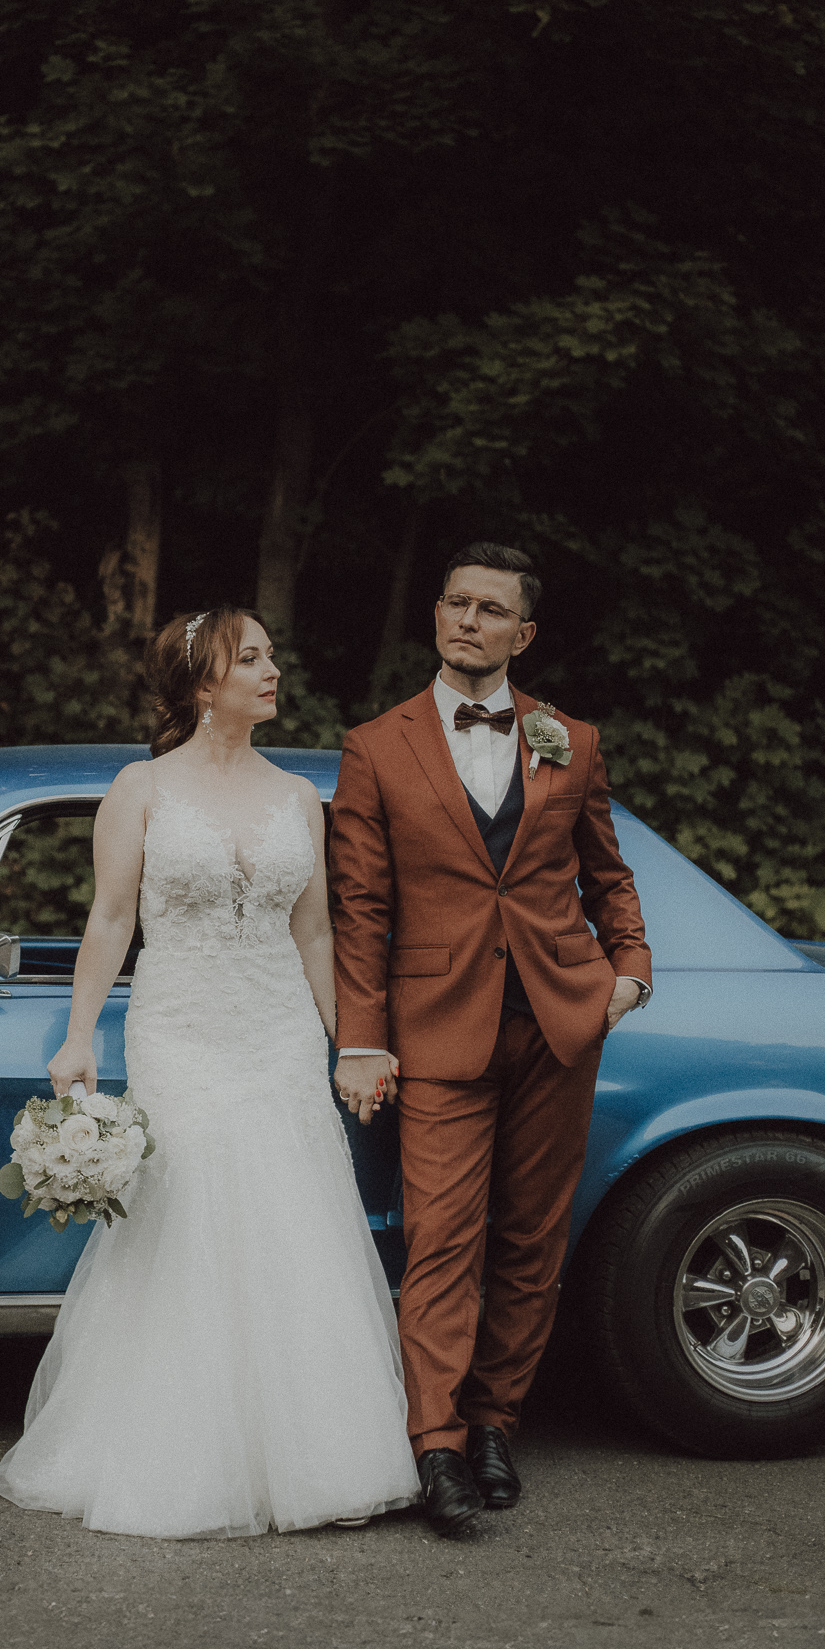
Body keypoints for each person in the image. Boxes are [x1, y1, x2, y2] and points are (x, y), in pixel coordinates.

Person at [0, 606, 420, 1536]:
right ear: (201, 685)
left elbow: (314, 931)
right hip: (179, 1028)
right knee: (185, 1223)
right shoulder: (140, 788)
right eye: (251, 658)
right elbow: (112, 918)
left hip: (276, 1032)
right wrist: (78, 1037)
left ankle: (312, 1456)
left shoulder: (296, 798)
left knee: (291, 1221)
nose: (273, 670)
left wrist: (347, 1040)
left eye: (271, 654)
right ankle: (177, 1458)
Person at [330, 544, 651, 1538]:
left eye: (491, 609)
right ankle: (435, 1444)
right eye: (457, 603)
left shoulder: (570, 739)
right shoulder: (374, 746)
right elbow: (359, 907)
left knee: (529, 1240)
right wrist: (363, 1037)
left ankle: (495, 1422)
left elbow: (607, 873)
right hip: (437, 1030)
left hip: (559, 1022)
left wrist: (628, 973)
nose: (469, 620)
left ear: (524, 633)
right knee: (440, 1239)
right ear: (435, 614)